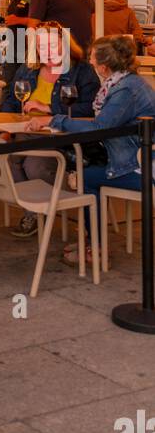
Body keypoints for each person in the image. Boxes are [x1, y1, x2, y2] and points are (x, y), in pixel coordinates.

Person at [28, 34, 155, 266]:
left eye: (93, 58)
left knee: (86, 178)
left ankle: (94, 247)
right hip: (136, 158)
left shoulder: (125, 90)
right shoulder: (125, 82)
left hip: (143, 169)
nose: (90, 62)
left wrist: (54, 121)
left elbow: (100, 127)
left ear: (105, 66)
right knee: (86, 167)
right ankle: (90, 238)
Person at [0, 21, 98, 237]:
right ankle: (33, 211)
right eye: (42, 47)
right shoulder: (28, 69)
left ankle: (40, 210)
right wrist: (3, 125)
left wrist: (50, 108)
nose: (48, 52)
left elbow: (92, 107)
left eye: (54, 46)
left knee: (32, 163)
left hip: (64, 138)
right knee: (8, 159)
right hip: (26, 133)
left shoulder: (81, 71)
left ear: (65, 45)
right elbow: (10, 100)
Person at [0, 0, 35, 82]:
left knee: (20, 86)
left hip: (24, 50)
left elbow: (40, 21)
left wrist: (18, 20)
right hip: (11, 48)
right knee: (6, 86)